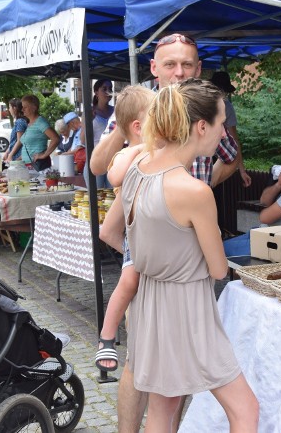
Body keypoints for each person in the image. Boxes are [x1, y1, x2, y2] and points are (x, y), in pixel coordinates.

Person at [89, 33, 240, 432]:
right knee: (143, 362)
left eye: (187, 64)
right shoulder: (141, 106)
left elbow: (230, 154)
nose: (179, 71)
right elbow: (99, 166)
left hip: (190, 249)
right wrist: (130, 130)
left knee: (176, 372)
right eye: (170, 64)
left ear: (198, 68)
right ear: (154, 68)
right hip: (151, 254)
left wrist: (204, 191)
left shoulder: (207, 106)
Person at [119, 79, 259, 432]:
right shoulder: (194, 191)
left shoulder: (137, 173)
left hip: (150, 304)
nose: (224, 133)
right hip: (187, 309)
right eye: (221, 123)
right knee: (246, 410)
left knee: (162, 413)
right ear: (201, 127)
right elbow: (216, 269)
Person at [95, 86, 154, 373]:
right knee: (129, 280)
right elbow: (113, 173)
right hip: (138, 232)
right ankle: (107, 335)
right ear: (139, 127)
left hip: (153, 235)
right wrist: (142, 148)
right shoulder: (129, 152)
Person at [211, 71, 252, 187]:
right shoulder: (226, 106)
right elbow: (233, 139)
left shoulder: (201, 102)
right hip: (217, 156)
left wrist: (242, 170)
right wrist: (241, 170)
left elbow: (233, 138)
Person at [82, 79, 114, 187]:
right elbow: (82, 140)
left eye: (110, 89)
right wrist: (89, 121)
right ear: (96, 92)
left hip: (113, 161)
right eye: (104, 89)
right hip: (95, 159)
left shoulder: (116, 110)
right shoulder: (89, 111)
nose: (108, 92)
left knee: (114, 197)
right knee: (96, 198)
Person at [19, 95, 59, 171]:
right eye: (22, 107)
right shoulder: (30, 123)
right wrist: (20, 158)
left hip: (38, 166)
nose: (22, 109)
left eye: (25, 107)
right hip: (29, 166)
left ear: (34, 108)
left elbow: (55, 138)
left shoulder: (40, 122)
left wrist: (44, 155)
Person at [3, 98, 27, 162]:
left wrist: (10, 155)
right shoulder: (19, 121)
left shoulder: (20, 122)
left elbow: (20, 141)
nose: (9, 109)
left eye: (10, 107)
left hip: (19, 156)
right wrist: (7, 152)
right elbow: (14, 141)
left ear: (15, 108)